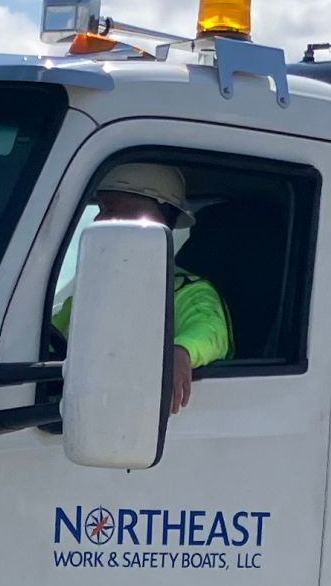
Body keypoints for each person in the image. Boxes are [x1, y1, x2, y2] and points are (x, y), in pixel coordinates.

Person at [50, 161, 230, 413]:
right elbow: (50, 337)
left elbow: (210, 333)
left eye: (112, 209)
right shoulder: (93, 285)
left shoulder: (189, 289)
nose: (100, 218)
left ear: (158, 221)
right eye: (101, 208)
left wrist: (181, 351)